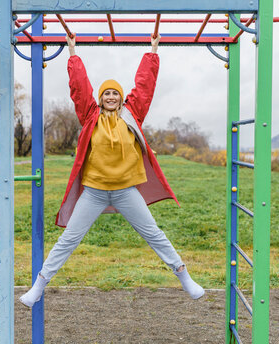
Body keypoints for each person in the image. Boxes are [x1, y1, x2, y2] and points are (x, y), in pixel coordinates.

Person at [20, 34, 204, 308]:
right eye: (106, 93)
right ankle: (39, 285)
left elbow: (144, 86)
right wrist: (72, 52)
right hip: (94, 192)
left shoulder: (132, 115)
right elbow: (79, 87)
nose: (110, 96)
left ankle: (184, 276)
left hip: (125, 191)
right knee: (69, 239)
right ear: (100, 98)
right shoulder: (89, 116)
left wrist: (153, 50)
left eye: (114, 93)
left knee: (153, 233)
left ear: (121, 98)